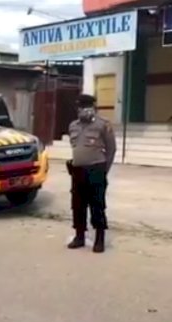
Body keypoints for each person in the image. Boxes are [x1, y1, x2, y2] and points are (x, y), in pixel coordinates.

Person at [66, 94, 116, 253]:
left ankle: (99, 239)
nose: (84, 110)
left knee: (97, 205)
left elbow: (111, 149)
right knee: (78, 205)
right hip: (78, 171)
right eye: (81, 106)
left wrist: (103, 170)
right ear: (78, 108)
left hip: (96, 169)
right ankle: (79, 236)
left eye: (88, 106)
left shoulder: (103, 125)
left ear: (94, 108)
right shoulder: (73, 125)